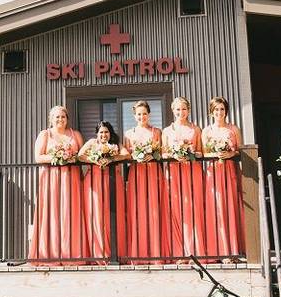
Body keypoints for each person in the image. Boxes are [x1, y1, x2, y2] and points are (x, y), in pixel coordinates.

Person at [28, 105, 89, 264]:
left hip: (72, 180)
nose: (60, 120)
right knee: (52, 213)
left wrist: (71, 158)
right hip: (51, 180)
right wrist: (58, 157)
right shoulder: (45, 134)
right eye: (57, 117)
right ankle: (51, 253)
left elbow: (82, 156)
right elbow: (38, 158)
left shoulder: (75, 134)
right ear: (51, 119)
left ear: (67, 119)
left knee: (72, 212)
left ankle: (74, 253)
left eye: (63, 117)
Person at [124, 100, 170, 263]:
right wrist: (134, 157)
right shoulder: (129, 134)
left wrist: (153, 155)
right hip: (136, 173)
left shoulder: (157, 132)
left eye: (144, 113)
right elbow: (126, 155)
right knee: (137, 210)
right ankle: (139, 252)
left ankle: (156, 251)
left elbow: (162, 152)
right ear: (134, 115)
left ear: (149, 114)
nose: (142, 116)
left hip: (152, 172)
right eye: (139, 114)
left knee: (154, 210)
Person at [162, 97, 206, 260]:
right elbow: (163, 153)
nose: (181, 112)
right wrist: (175, 154)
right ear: (173, 111)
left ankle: (195, 250)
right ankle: (179, 252)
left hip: (192, 172)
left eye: (184, 109)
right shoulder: (167, 131)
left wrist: (190, 154)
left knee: (193, 210)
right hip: (173, 173)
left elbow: (201, 152)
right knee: (176, 210)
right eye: (178, 110)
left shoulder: (195, 129)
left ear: (189, 110)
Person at [201, 96, 245, 259]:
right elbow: (205, 152)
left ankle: (235, 250)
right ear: (211, 112)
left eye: (222, 109)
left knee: (231, 206)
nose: (219, 112)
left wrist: (231, 153)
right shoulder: (206, 131)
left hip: (230, 171)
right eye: (216, 109)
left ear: (226, 111)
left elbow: (241, 150)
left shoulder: (233, 129)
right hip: (214, 172)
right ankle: (218, 250)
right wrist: (217, 153)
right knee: (217, 207)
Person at [79, 121, 129, 262]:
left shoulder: (115, 144)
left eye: (106, 132)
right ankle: (98, 253)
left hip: (113, 181)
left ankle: (116, 253)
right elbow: (80, 155)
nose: (104, 135)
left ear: (110, 133)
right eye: (101, 132)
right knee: (96, 214)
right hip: (94, 181)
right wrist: (94, 160)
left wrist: (112, 158)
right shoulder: (91, 143)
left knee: (113, 213)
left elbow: (126, 154)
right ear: (97, 133)